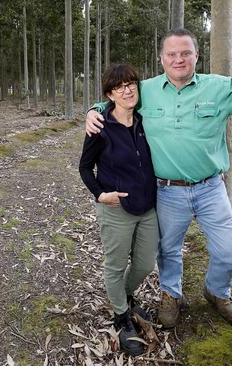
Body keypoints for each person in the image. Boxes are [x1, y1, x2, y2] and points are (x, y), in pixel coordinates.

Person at [85, 24, 232, 328]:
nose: (179, 59)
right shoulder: (147, 90)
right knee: (168, 250)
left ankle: (217, 292)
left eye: (185, 53)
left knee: (230, 251)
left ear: (196, 55)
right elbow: (114, 102)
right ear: (161, 58)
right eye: (172, 54)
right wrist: (93, 110)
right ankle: (171, 294)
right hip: (166, 191)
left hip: (209, 188)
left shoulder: (219, 87)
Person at [79, 64, 158, 356]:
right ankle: (121, 316)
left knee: (145, 264)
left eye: (131, 84)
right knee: (114, 265)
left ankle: (125, 294)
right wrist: (101, 194)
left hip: (148, 205)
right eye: (119, 87)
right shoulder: (101, 127)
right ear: (110, 94)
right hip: (116, 208)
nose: (127, 90)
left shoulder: (145, 119)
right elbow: (85, 167)